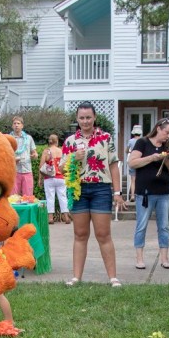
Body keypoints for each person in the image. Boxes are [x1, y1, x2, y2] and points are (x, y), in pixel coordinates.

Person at [61, 102, 125, 287]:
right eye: (82, 118)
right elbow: (61, 167)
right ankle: (76, 277)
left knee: (103, 234)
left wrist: (117, 192)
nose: (85, 121)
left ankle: (113, 278)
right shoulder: (70, 141)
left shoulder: (105, 138)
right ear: (77, 119)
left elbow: (114, 165)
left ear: (94, 117)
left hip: (100, 189)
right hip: (78, 189)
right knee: (80, 234)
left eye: (88, 117)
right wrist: (74, 157)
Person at [128, 118, 169, 270]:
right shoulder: (142, 142)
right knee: (141, 225)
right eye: (167, 132)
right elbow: (132, 162)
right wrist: (151, 158)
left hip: (163, 192)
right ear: (158, 129)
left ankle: (164, 258)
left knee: (164, 227)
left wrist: (166, 159)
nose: (168, 136)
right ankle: (139, 258)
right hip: (145, 192)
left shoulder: (167, 146)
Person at [40, 134, 70, 224]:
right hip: (61, 177)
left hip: (49, 178)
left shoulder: (46, 151)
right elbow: (66, 164)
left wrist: (39, 179)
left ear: (49, 141)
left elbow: (41, 166)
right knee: (63, 197)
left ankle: (50, 218)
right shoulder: (61, 151)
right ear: (57, 141)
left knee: (50, 198)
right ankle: (66, 216)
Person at [10, 116, 38, 196]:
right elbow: (5, 155)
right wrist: (13, 160)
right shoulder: (9, 138)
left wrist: (34, 155)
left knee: (28, 196)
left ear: (22, 125)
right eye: (14, 123)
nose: (16, 125)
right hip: (14, 171)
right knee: (14, 197)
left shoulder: (28, 138)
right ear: (12, 126)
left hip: (27, 170)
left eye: (18, 123)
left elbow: (35, 153)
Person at [125, 124, 143, 201]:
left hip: (133, 161)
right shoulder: (143, 141)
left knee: (133, 180)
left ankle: (132, 196)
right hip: (141, 162)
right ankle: (140, 195)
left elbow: (126, 150)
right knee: (141, 179)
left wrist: (130, 151)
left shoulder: (131, 141)